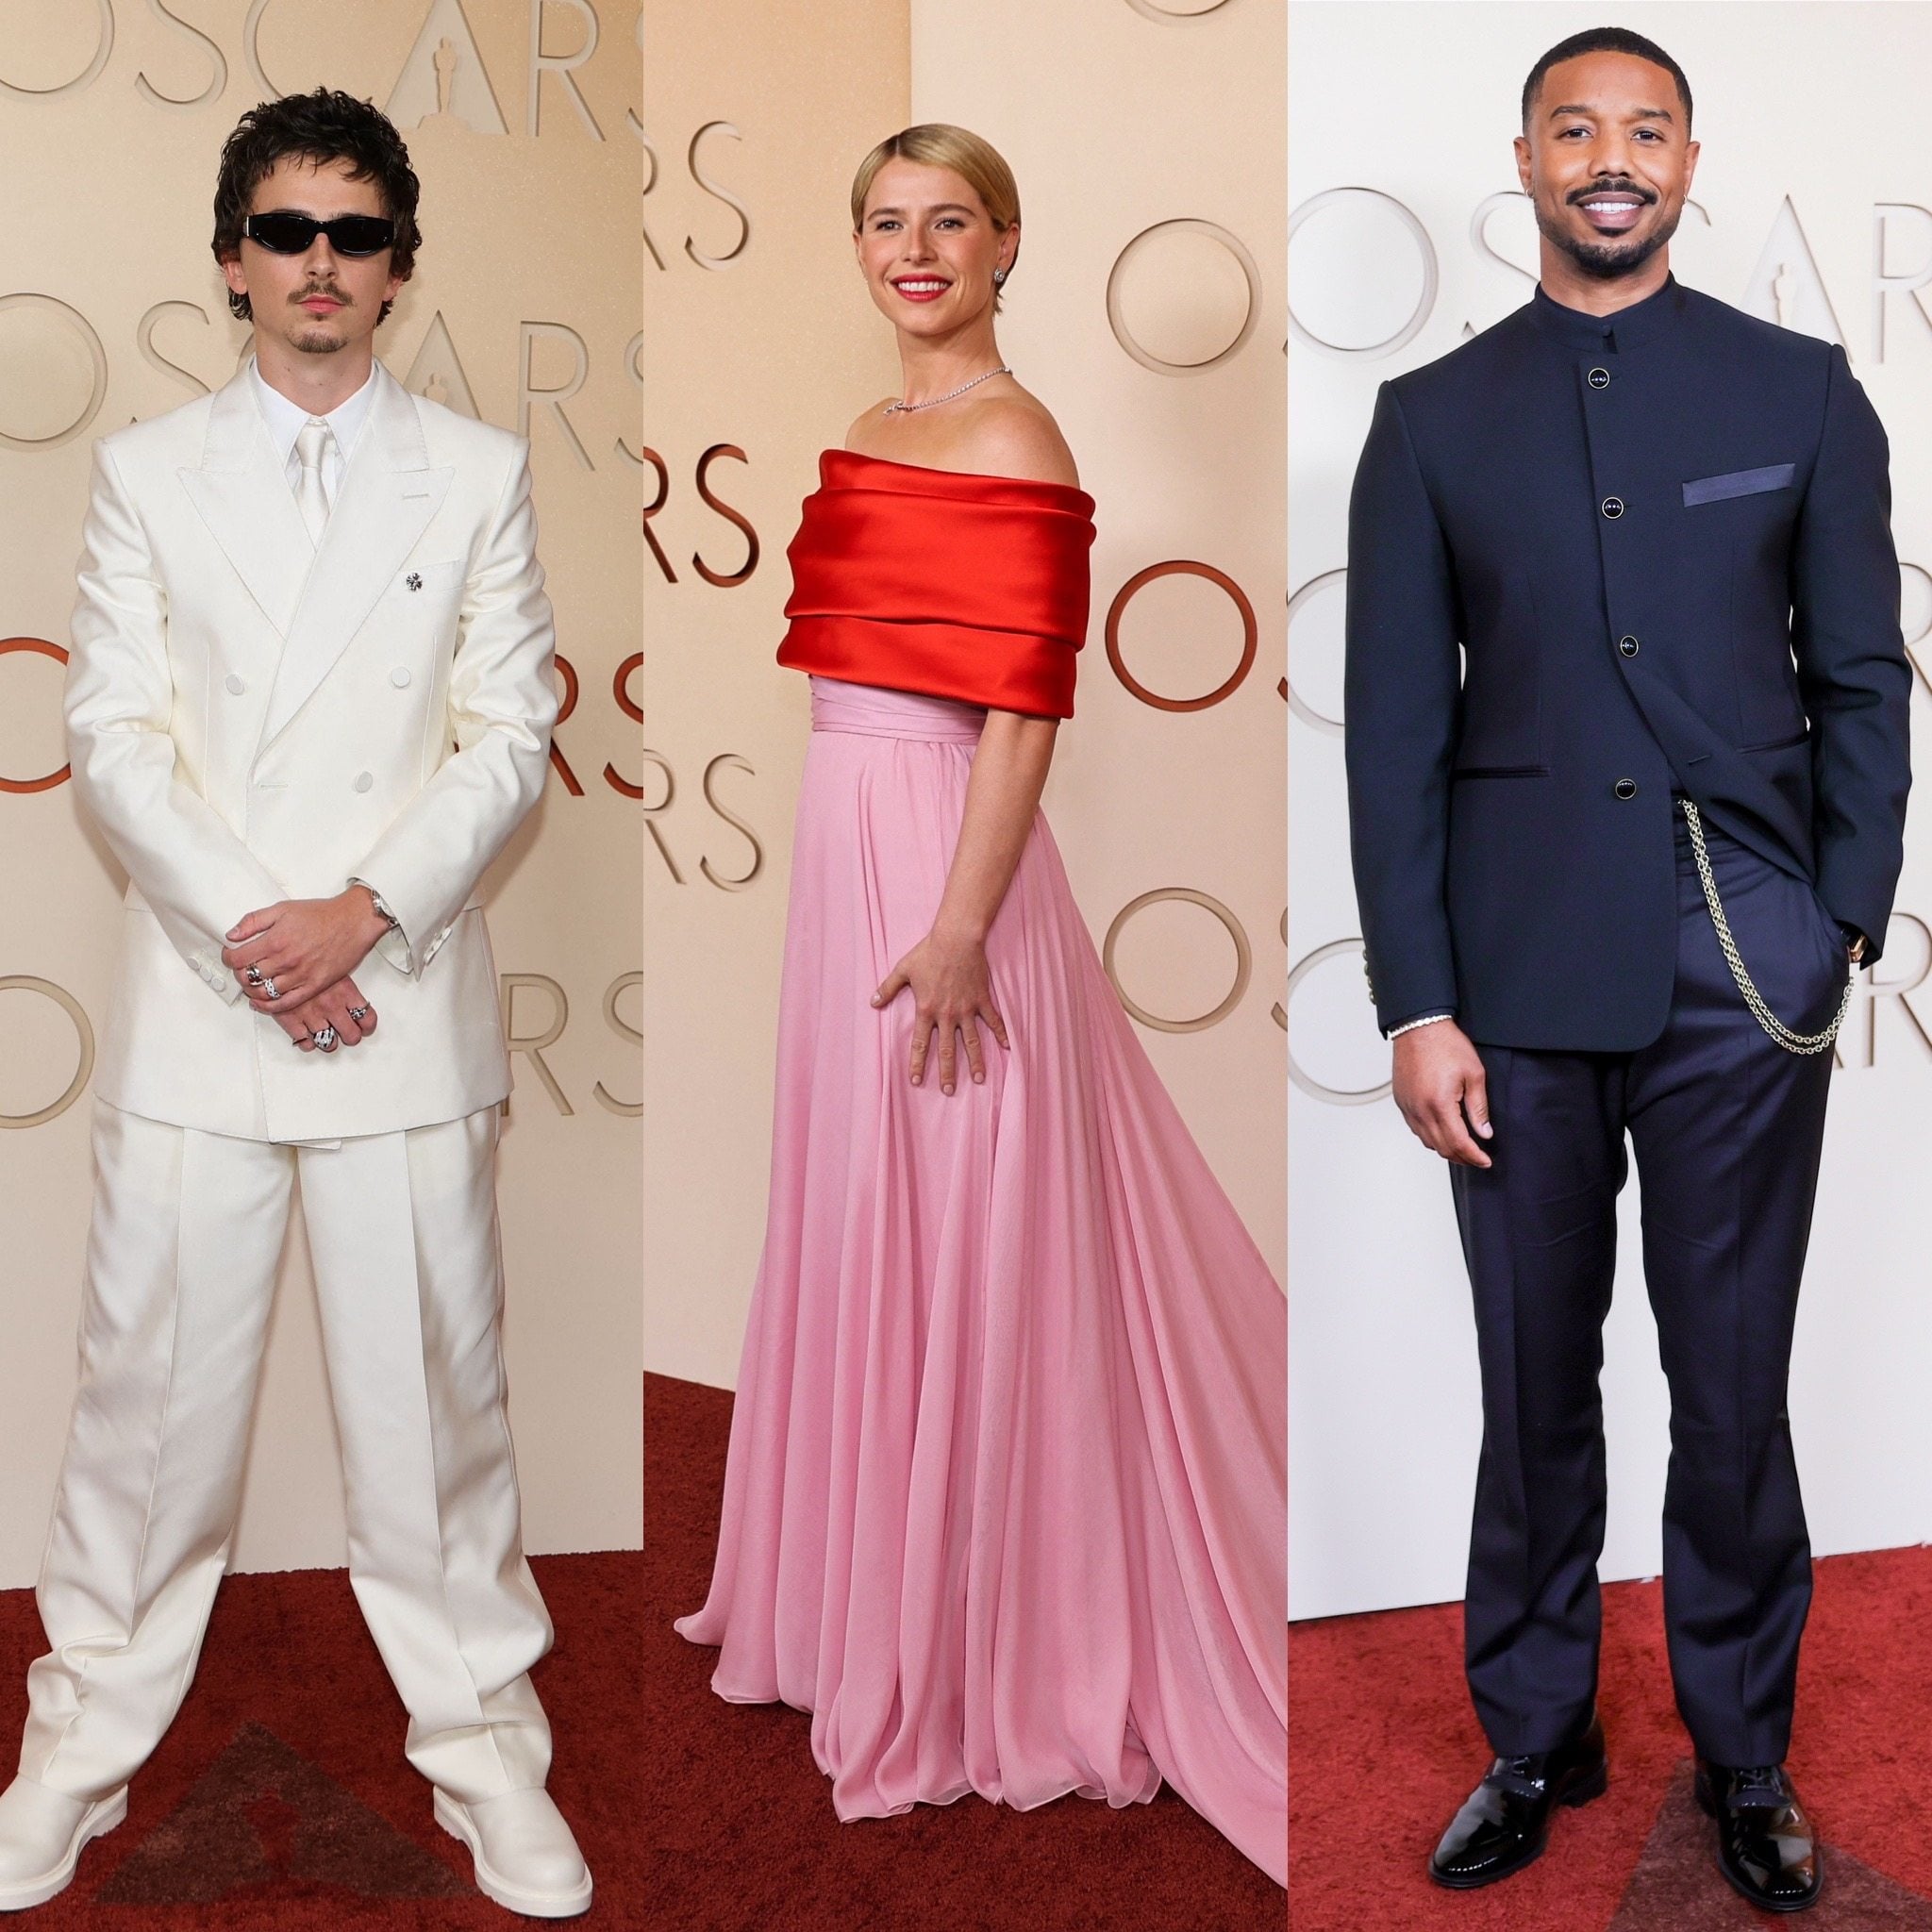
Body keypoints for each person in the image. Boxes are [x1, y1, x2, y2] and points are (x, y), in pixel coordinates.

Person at [0, 90, 591, 1919]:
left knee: (438, 1420)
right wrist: (266, 932)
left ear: (400, 264)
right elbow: (113, 738)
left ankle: (489, 1753)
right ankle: (78, 1749)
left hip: (399, 1005)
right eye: (283, 230)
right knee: (146, 1419)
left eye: (351, 232)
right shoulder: (149, 473)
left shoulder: (479, 473)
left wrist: (364, 914)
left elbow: (510, 734)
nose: (316, 264)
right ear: (232, 259)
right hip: (207, 1006)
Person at [675, 124, 1288, 1887]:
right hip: (842, 833)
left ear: (1010, 245)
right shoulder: (870, 431)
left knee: (967, 1218)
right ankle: (871, 1602)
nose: (916, 248)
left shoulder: (1017, 428)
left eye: (952, 221)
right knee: (878, 1214)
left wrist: (960, 923)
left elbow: (1024, 710)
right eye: (886, 221)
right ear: (855, 246)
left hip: (950, 864)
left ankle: (983, 1639)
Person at [1345, 27, 1910, 1914]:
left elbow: (1861, 685)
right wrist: (1414, 997)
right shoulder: (1427, 420)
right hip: (1508, 977)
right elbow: (1389, 739)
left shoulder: (1804, 392)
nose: (1609, 158)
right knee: (1532, 1379)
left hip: (1736, 969)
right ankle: (1536, 1734)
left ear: (1688, 159)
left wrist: (1829, 920)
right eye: (1573, 129)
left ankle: (1743, 1756)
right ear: (1520, 161)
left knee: (1731, 1385)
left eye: (1642, 130)